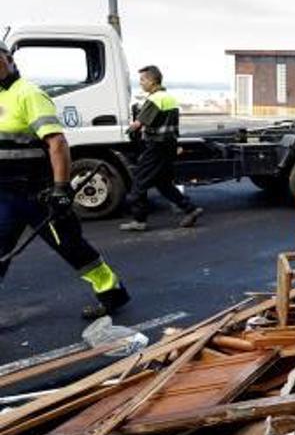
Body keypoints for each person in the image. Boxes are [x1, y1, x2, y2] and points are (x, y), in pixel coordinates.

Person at [0, 41, 129, 319]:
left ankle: (112, 293)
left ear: (9, 59)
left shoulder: (29, 94)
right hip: (5, 194)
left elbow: (57, 142)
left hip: (38, 193)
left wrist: (60, 189)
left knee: (71, 246)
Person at [119, 65, 202, 231]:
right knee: (163, 183)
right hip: (169, 146)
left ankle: (139, 220)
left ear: (151, 80)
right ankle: (191, 209)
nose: (141, 84)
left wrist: (127, 131)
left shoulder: (154, 99)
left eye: (142, 80)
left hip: (156, 147)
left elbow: (139, 123)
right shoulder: (168, 98)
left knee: (139, 182)